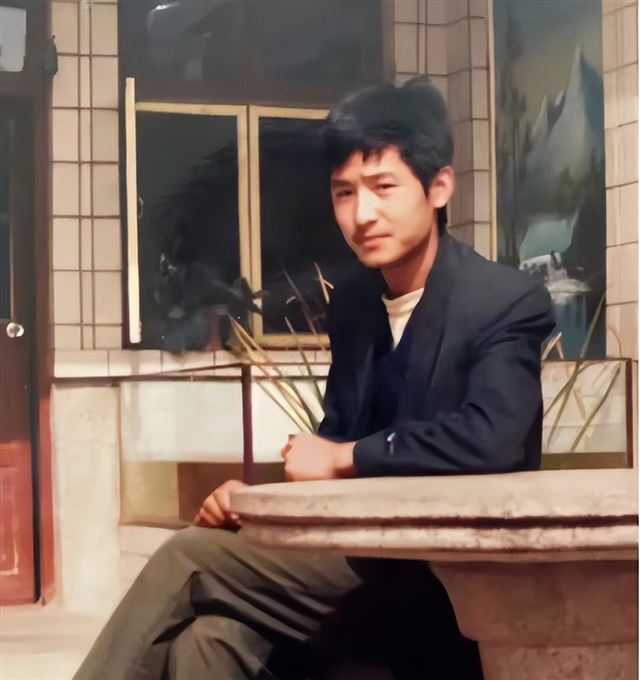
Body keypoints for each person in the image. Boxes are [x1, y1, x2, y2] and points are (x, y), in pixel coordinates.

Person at [74, 77, 554, 680]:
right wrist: (256, 506)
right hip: (359, 565)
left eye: (383, 187)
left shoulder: (503, 301)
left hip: (450, 584)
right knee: (210, 640)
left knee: (186, 559)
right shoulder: (354, 305)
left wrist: (346, 457)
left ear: (439, 187)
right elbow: (332, 442)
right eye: (344, 192)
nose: (362, 214)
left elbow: (490, 440)